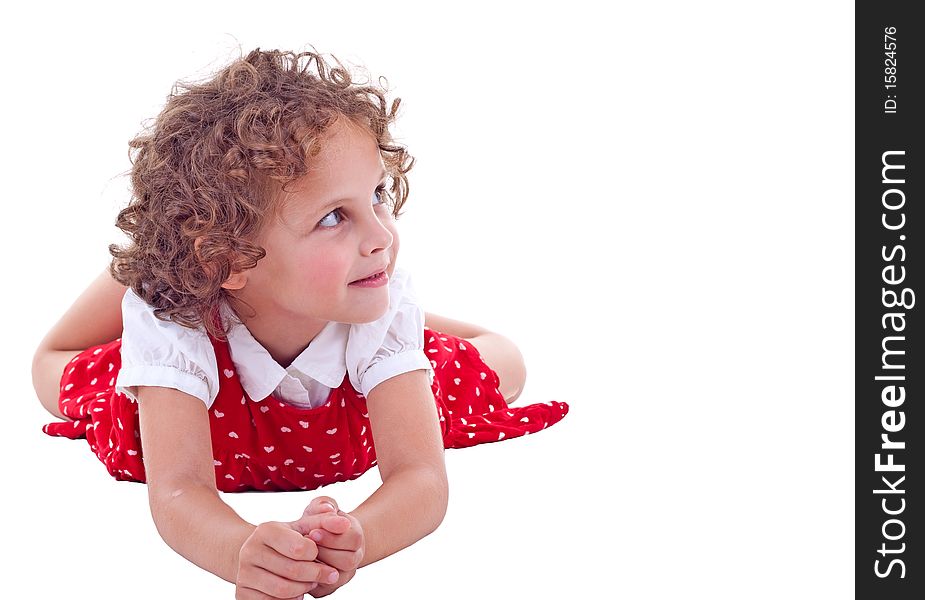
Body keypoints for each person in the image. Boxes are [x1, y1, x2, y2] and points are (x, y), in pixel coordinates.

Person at [32, 48, 569, 598]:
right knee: (53, 377)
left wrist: (361, 536)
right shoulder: (175, 327)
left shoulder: (373, 310)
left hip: (356, 410)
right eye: (334, 216)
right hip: (191, 352)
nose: (382, 235)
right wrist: (244, 552)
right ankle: (158, 255)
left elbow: (422, 479)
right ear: (230, 259)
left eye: (377, 195)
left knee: (506, 364)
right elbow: (180, 491)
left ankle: (379, 306)